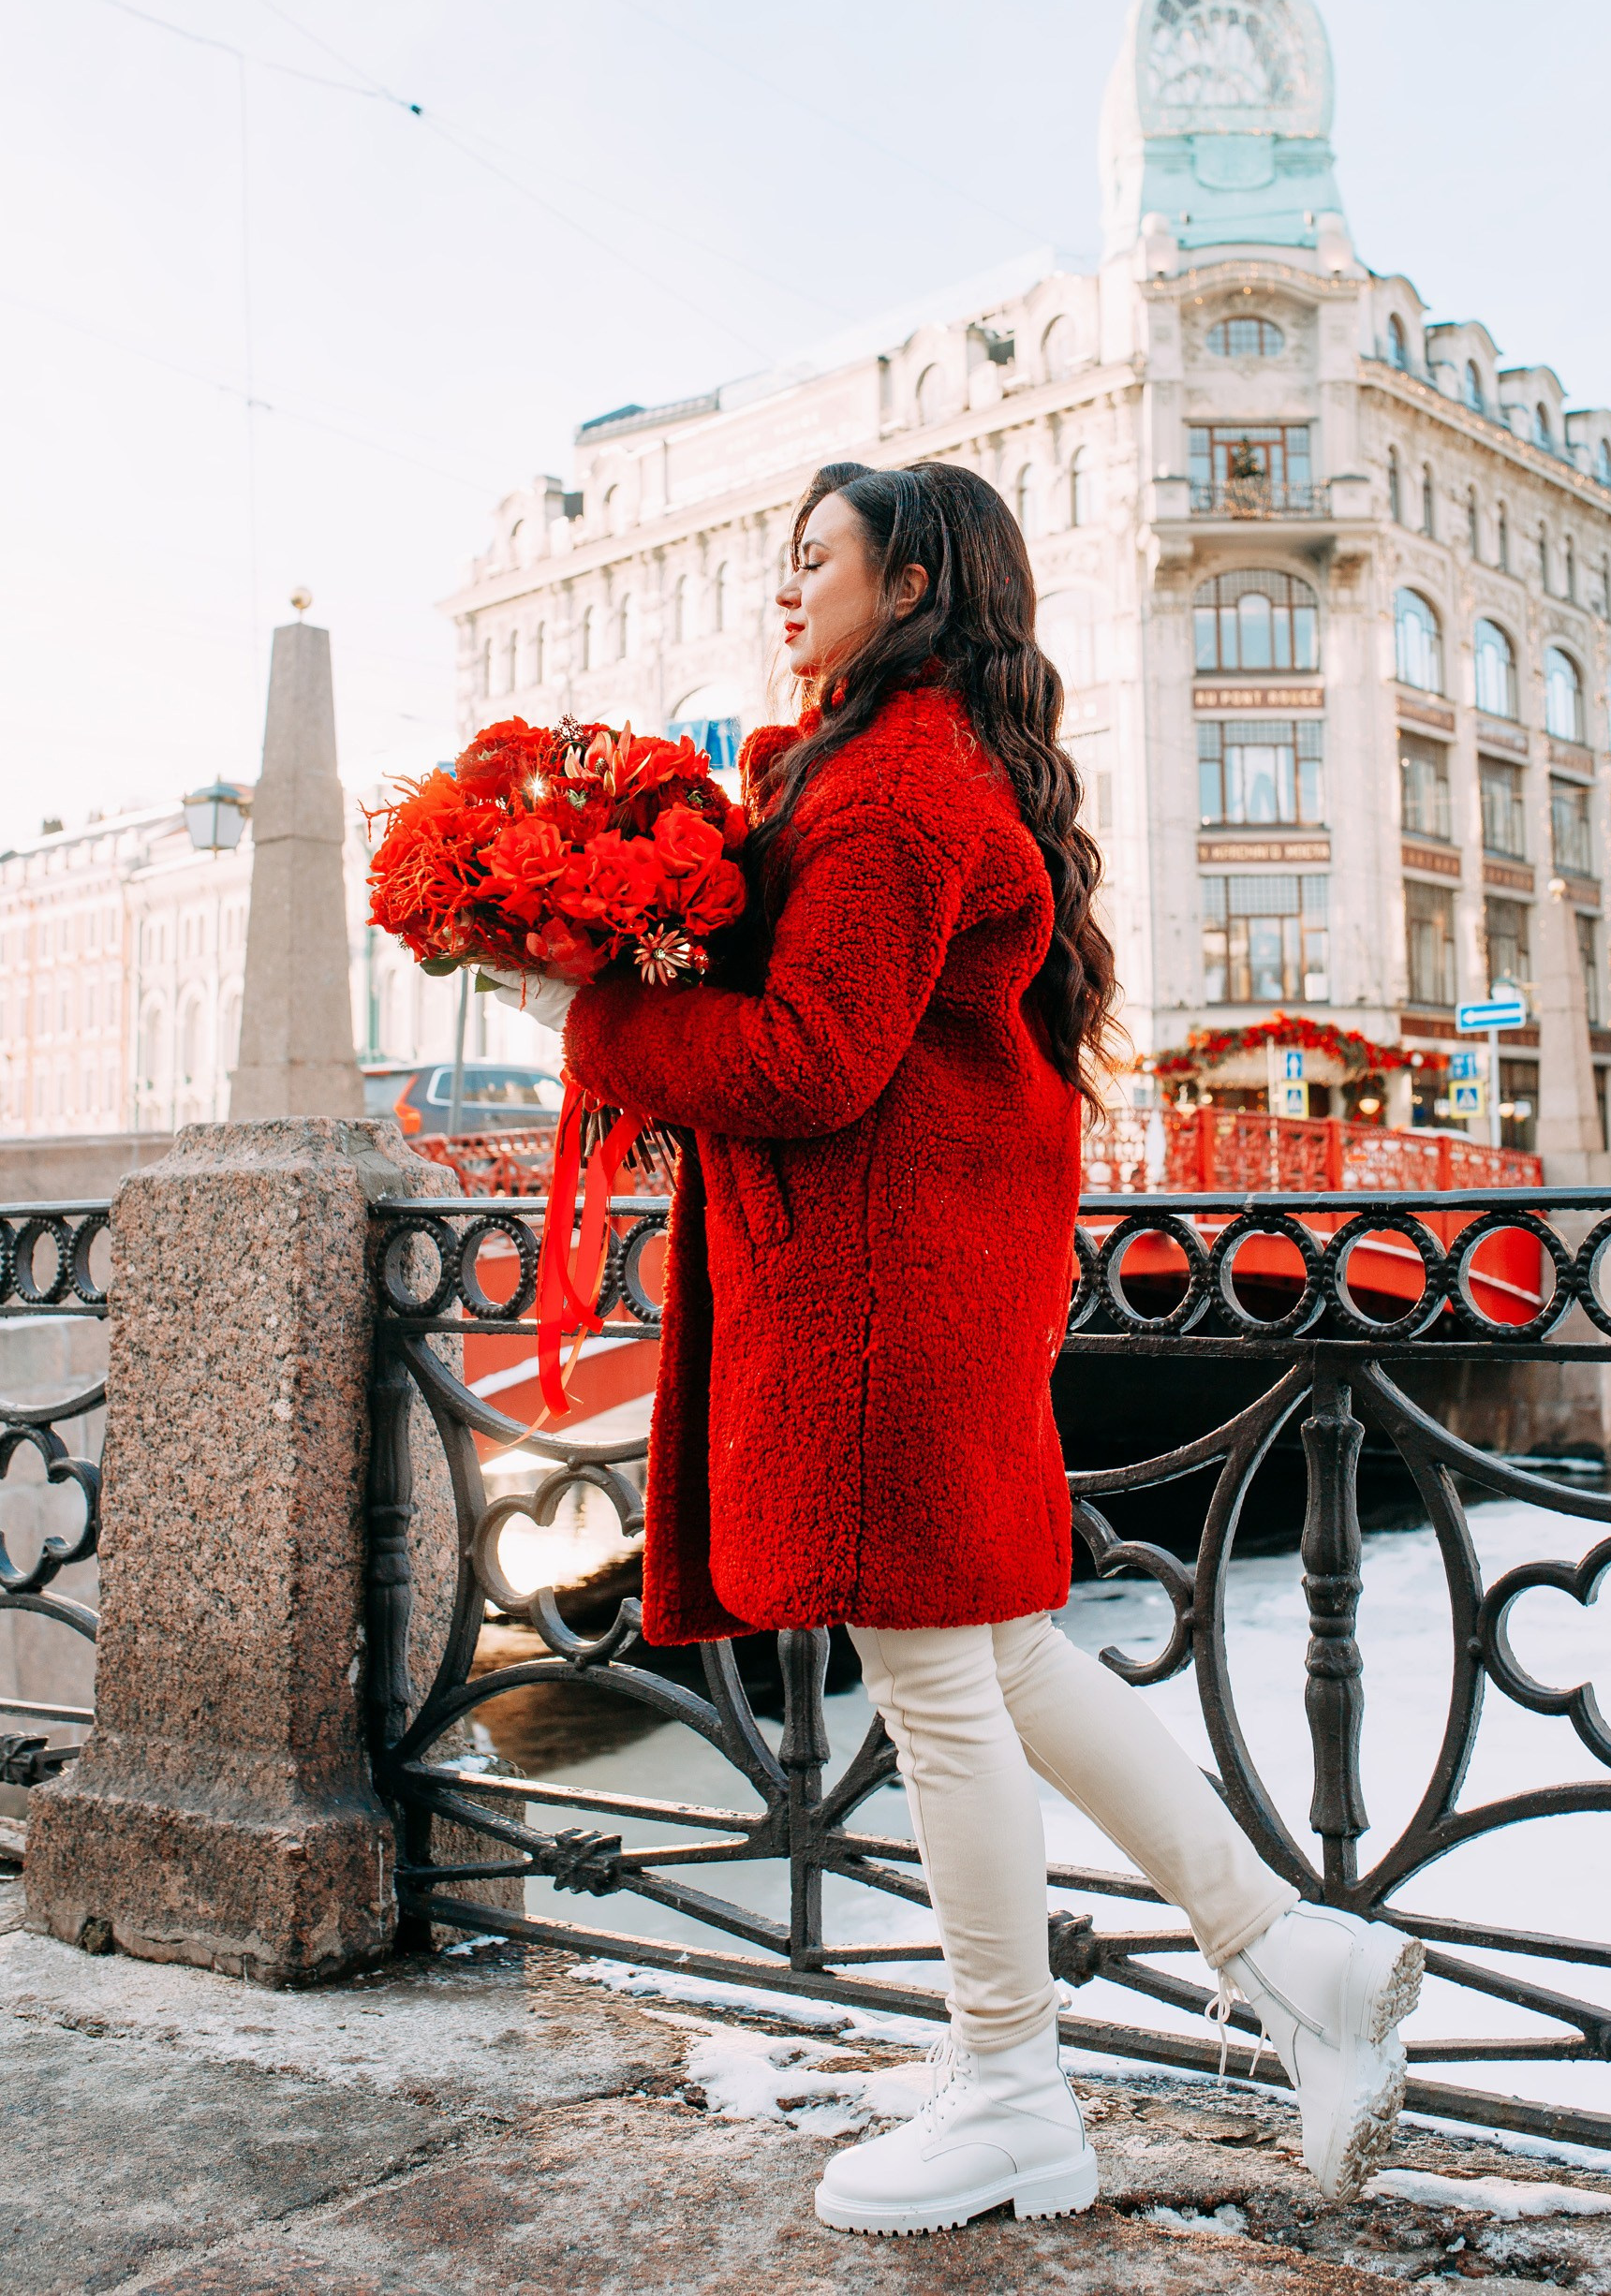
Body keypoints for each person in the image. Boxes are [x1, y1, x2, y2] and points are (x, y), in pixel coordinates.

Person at [503, 460, 1420, 2237]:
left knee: (936, 1688)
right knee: (1004, 1658)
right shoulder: (914, 767)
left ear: (912, 584)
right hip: (933, 1283)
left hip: (878, 1302)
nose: (789, 587)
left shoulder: (890, 790)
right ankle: (1291, 1957)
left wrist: (586, 1012)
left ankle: (1013, 2094)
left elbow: (805, 1062)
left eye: (818, 558)